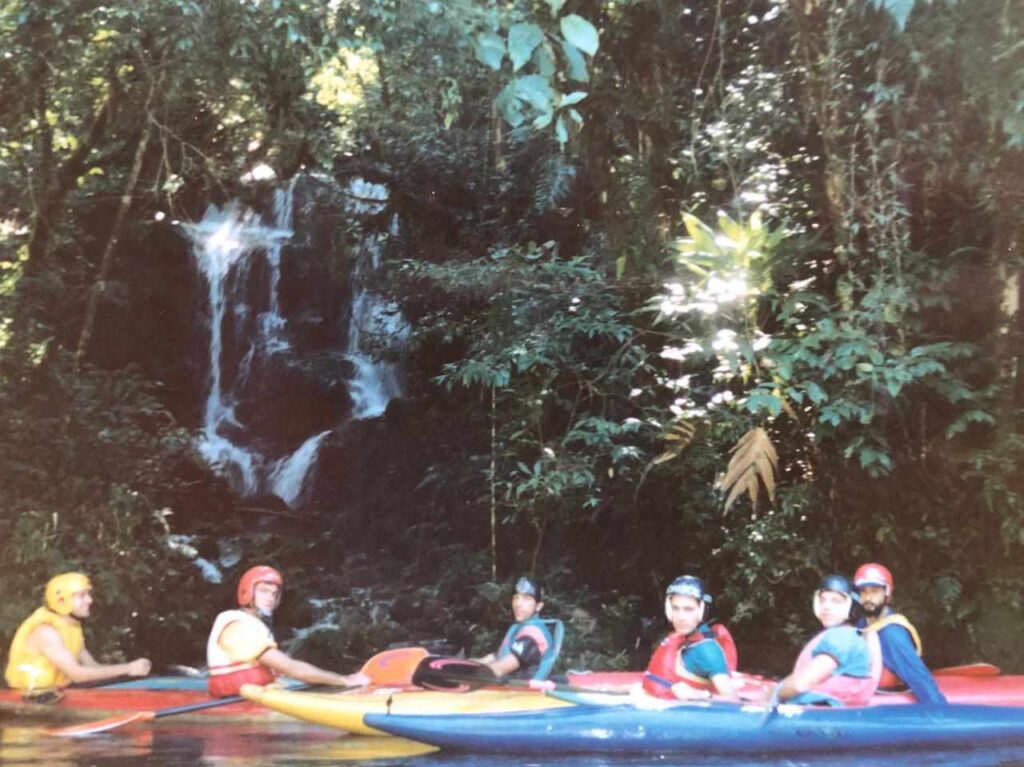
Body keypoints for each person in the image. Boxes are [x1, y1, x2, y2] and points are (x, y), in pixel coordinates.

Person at [206, 565, 370, 697]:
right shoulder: (238, 625)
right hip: (239, 700)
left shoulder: (251, 622)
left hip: (251, 695)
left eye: (274, 593)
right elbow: (294, 669)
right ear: (247, 592)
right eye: (263, 591)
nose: (270, 597)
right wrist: (344, 680)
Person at [5, 572, 152, 698]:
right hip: (30, 696)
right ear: (61, 600)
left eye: (88, 594)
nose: (90, 600)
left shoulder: (71, 627)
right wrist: (128, 668)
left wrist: (129, 672)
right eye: (82, 596)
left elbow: (92, 667)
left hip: (55, 693)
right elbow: (78, 675)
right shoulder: (46, 632)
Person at [773, 574, 882, 707]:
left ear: (852, 607)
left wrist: (772, 694)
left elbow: (800, 684)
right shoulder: (852, 635)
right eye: (823, 600)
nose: (826, 606)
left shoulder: (840, 638)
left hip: (820, 717)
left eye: (835, 601)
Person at [853, 562, 947, 704]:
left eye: (874, 591)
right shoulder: (862, 622)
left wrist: (940, 714)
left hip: (886, 704)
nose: (867, 598)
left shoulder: (892, 634)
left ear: (887, 594)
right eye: (863, 591)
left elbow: (918, 678)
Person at [642, 575, 740, 701]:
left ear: (702, 611)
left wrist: (699, 695)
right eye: (675, 608)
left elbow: (733, 699)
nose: (680, 617)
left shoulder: (707, 650)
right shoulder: (681, 638)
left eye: (688, 609)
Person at [476, 576, 563, 682]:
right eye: (516, 597)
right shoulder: (521, 626)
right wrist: (473, 663)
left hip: (528, 695)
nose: (518, 604)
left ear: (538, 606)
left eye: (526, 598)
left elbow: (498, 669)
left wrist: (465, 673)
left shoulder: (532, 634)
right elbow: (499, 655)